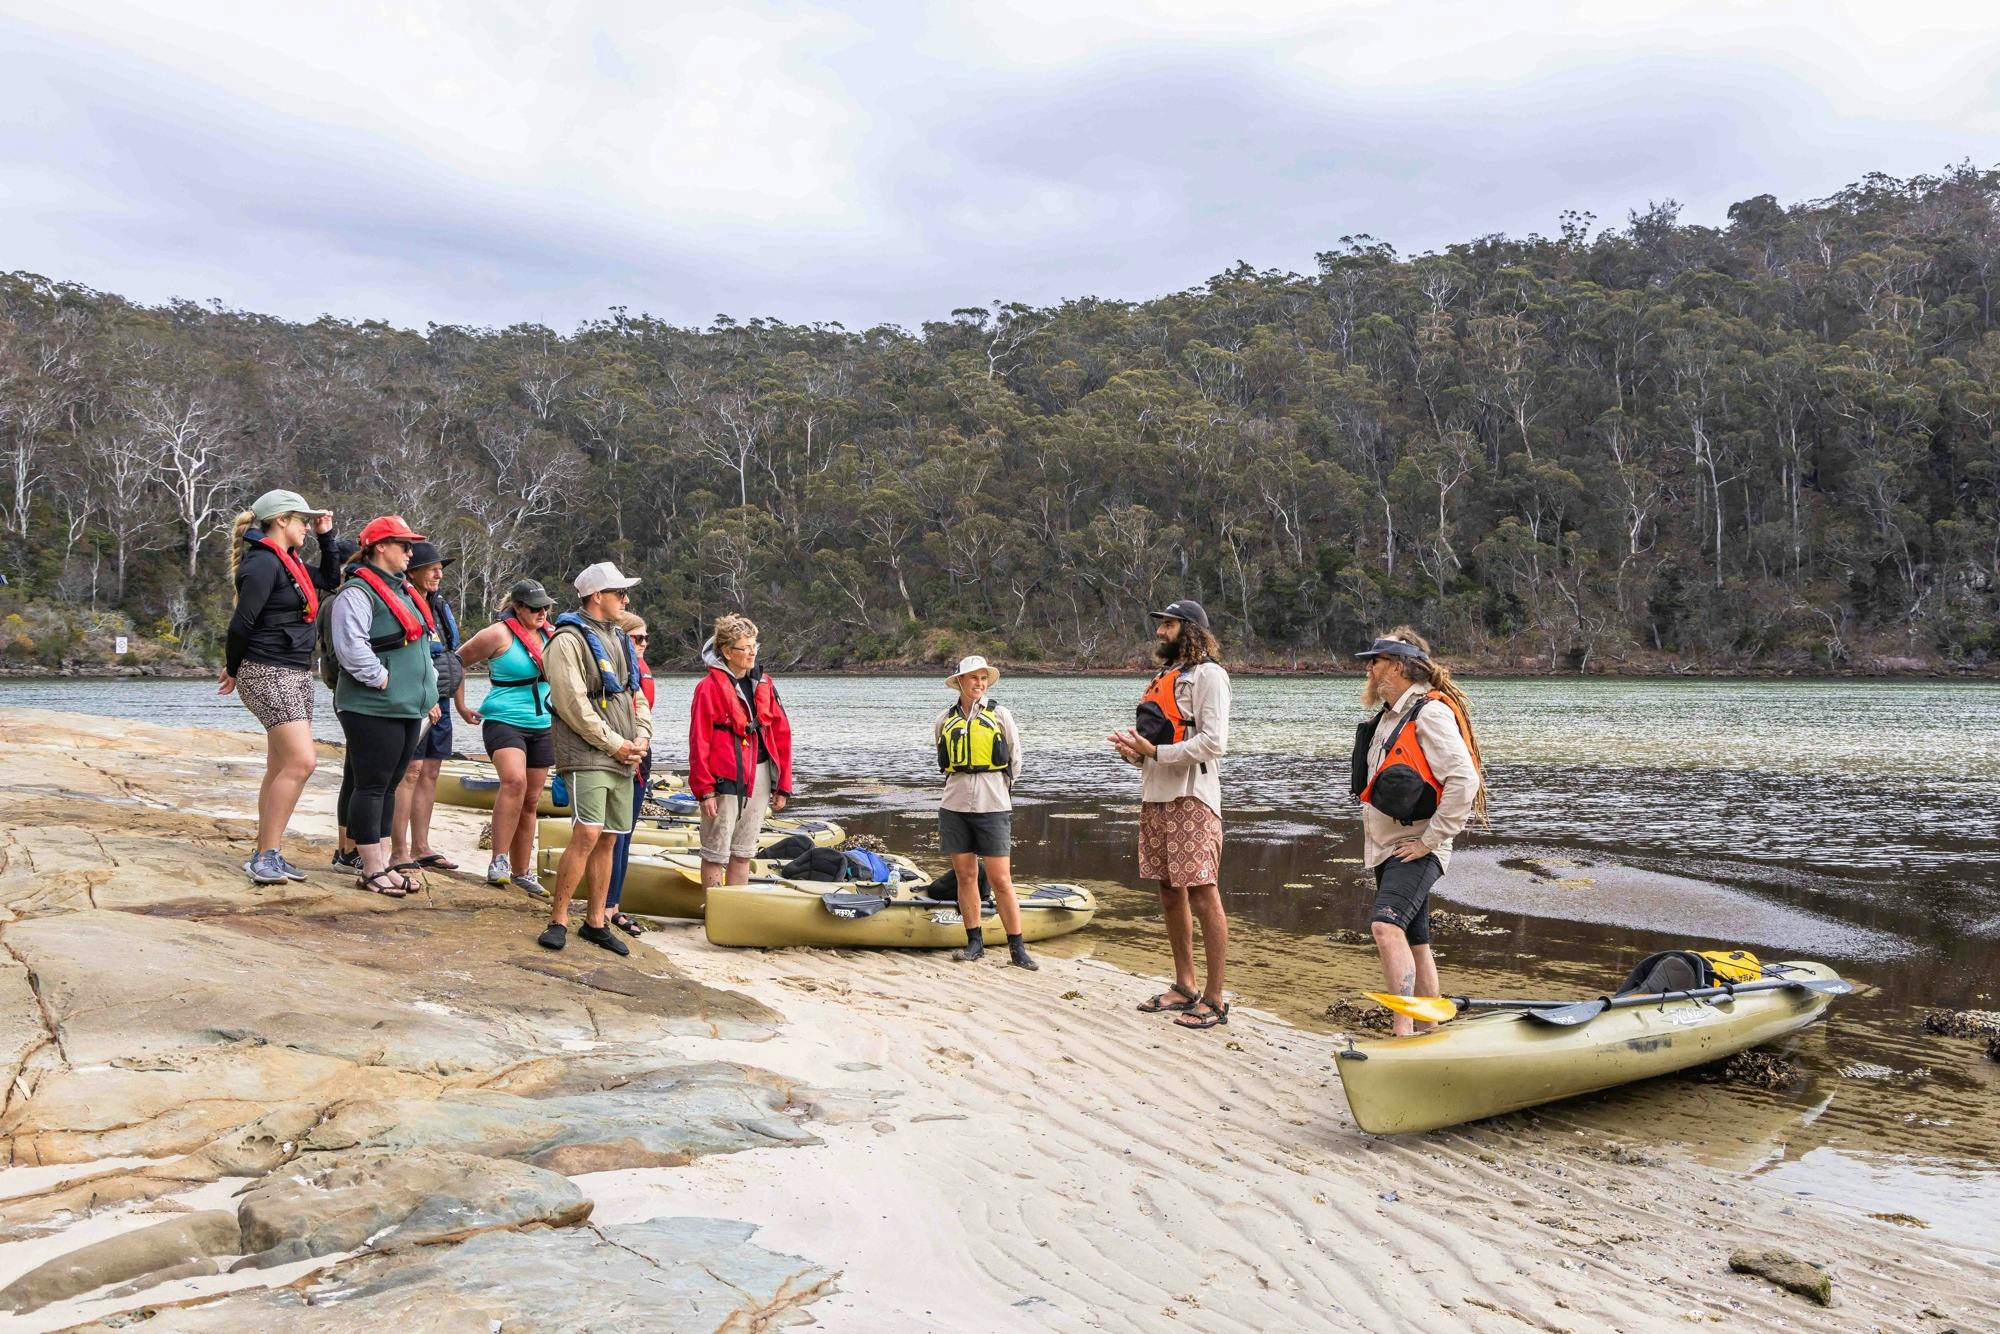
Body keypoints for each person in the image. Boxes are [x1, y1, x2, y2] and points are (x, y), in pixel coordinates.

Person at [1352, 627, 1486, 1037]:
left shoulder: (1429, 713)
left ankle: (1403, 1032)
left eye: (1374, 660)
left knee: (1385, 926)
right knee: (1416, 941)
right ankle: (1433, 1029)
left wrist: (1430, 841)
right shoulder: (1391, 717)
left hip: (1416, 847)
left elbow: (1465, 779)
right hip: (1389, 845)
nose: (1368, 669)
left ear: (1397, 666)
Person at [1109, 599, 1233, 1030]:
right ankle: (1185, 985)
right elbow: (1155, 750)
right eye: (1160, 625)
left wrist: (1155, 751)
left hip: (1193, 797)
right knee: (1168, 890)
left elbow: (1214, 742)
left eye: (1168, 625)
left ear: (1190, 629)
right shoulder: (1164, 676)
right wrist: (1135, 755)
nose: (1160, 632)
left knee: (1202, 890)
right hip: (1157, 796)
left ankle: (1215, 999)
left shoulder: (1210, 676)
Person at [220, 489, 339, 885]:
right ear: (281, 521)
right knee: (302, 762)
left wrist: (326, 537)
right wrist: (233, 669)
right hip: (268, 670)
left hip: (292, 669)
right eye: (303, 519)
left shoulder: (289, 562)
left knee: (280, 765)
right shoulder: (262, 566)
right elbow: (242, 623)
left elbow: (330, 580)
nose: (308, 524)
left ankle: (265, 850)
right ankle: (265, 856)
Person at [539, 562, 653, 954]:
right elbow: (572, 705)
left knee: (609, 837)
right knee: (587, 832)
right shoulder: (566, 641)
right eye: (619, 592)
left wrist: (641, 737)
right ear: (597, 596)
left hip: (624, 753)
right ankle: (557, 919)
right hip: (587, 752)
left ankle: (596, 920)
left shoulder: (620, 638)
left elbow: (635, 694)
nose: (626, 599)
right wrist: (614, 743)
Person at [328, 515, 439, 898]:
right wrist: (382, 678)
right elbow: (350, 646)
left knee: (389, 785)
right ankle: (371, 867)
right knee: (371, 785)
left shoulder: (403, 590)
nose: (411, 552)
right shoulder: (358, 592)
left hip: (407, 705)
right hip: (373, 705)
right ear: (379, 548)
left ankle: (385, 861)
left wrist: (428, 691)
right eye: (403, 544)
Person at [453, 579, 558, 896]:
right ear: (518, 607)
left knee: (530, 800)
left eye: (546, 607)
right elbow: (456, 661)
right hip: (503, 719)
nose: (542, 612)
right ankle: (498, 861)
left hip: (543, 724)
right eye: (535, 607)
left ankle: (522, 872)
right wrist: (460, 706)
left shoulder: (551, 636)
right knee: (514, 782)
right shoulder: (497, 634)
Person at [933, 654, 1035, 969]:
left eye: (983, 678)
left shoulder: (1000, 714)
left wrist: (1000, 791)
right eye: (973, 678)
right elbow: (943, 758)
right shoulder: (944, 719)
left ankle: (1017, 948)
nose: (979, 683)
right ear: (960, 682)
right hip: (954, 805)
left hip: (993, 804)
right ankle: (973, 942)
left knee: (1001, 879)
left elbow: (1015, 760)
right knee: (966, 875)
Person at [688, 613, 794, 891]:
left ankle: (735, 908)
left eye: (754, 646)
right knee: (715, 852)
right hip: (724, 779)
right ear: (726, 651)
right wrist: (705, 790)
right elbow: (699, 741)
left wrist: (782, 785)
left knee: (743, 851)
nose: (751, 652)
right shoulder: (707, 688)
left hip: (758, 775)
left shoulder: (765, 684)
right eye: (744, 647)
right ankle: (714, 908)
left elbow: (782, 735)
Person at [390, 540, 463, 877]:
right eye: (431, 568)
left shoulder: (440, 606)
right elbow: (407, 657)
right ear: (412, 571)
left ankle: (422, 847)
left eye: (440, 568)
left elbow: (453, 655)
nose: (438, 573)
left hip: (442, 700)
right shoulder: (403, 601)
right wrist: (426, 697)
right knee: (410, 771)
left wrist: (459, 702)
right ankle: (399, 851)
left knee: (431, 771)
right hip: (417, 699)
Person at [603, 609, 656, 936]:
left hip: (639, 755)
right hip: (616, 755)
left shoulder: (640, 671)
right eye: (638, 638)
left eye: (646, 638)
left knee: (625, 836)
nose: (644, 644)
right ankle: (604, 905)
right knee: (612, 837)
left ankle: (614, 906)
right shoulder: (611, 669)